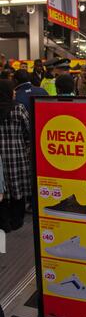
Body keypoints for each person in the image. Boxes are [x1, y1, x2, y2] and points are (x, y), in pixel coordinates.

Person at [0, 80, 31, 232]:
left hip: (0, 158)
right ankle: (17, 221)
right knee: (17, 188)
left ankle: (4, 222)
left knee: (2, 190)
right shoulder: (18, 109)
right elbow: (29, 131)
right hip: (17, 154)